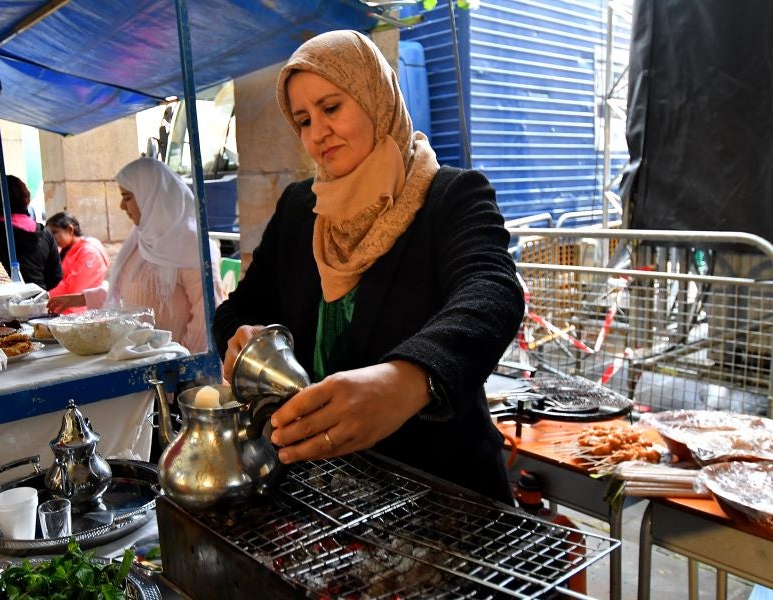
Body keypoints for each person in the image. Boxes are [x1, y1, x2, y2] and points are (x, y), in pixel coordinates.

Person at [213, 31, 524, 503]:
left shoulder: (452, 197)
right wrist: (242, 341)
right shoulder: (301, 210)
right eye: (303, 120)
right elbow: (238, 311)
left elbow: (492, 291)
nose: (317, 133)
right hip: (323, 494)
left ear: (376, 96)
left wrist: (408, 379)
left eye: (331, 107)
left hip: (441, 494)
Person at [47, 157, 225, 353]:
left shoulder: (192, 245)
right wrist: (81, 299)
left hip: (175, 365)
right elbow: (127, 293)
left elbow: (208, 312)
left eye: (128, 197)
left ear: (151, 196)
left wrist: (182, 360)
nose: (122, 206)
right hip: (142, 356)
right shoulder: (141, 240)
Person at [45, 211, 110, 313]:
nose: (52, 238)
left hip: (82, 313)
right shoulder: (67, 249)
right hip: (65, 309)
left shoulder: (89, 252)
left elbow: (74, 290)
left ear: (70, 229)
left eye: (54, 232)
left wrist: (45, 294)